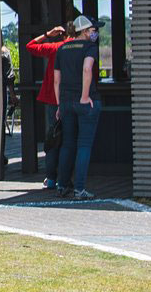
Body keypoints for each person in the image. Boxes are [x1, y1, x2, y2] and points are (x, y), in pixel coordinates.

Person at [50, 14, 102, 199]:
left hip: (65, 102)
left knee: (67, 144)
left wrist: (59, 104)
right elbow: (87, 69)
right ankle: (79, 189)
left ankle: (62, 185)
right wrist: (85, 96)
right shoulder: (90, 47)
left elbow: (56, 80)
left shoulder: (62, 48)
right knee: (84, 145)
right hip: (85, 102)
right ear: (85, 31)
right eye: (93, 30)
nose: (95, 33)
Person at [24, 23, 70, 186]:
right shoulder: (80, 48)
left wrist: (47, 34)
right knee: (70, 139)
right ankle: (66, 179)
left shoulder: (55, 48)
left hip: (53, 99)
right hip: (72, 98)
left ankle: (51, 178)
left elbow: (30, 46)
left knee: (53, 137)